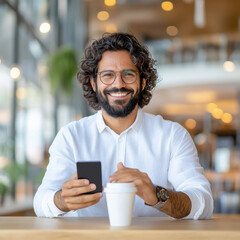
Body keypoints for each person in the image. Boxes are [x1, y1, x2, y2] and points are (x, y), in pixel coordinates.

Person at [34, 32, 213, 219]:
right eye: (107, 75)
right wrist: (61, 200)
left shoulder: (172, 136)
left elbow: (204, 203)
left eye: (128, 74)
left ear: (143, 82)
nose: (118, 84)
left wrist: (157, 195)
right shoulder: (71, 136)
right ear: (94, 83)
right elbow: (41, 201)